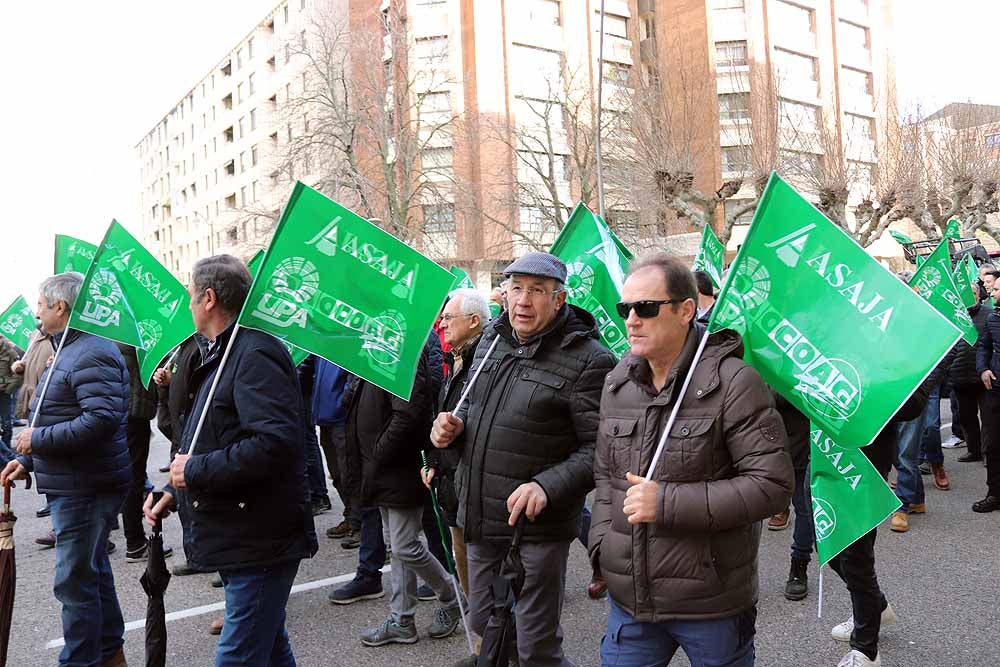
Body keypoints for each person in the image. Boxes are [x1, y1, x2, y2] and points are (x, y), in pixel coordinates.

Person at [588, 254, 793, 667]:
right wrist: (602, 550)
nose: (631, 320)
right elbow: (607, 478)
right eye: (625, 308)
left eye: (646, 308)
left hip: (710, 602)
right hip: (632, 602)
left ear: (686, 311)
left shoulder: (734, 382)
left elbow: (772, 486)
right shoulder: (617, 384)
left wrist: (663, 503)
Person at [432, 251, 616, 667]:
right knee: (486, 623)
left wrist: (546, 486)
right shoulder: (491, 344)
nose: (523, 301)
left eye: (536, 291)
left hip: (536, 529)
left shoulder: (590, 360)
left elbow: (601, 449)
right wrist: (451, 427)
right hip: (481, 516)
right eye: (516, 289)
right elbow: (471, 409)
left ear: (560, 299)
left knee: (536, 648)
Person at [144, 255, 317, 665]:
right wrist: (174, 487)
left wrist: (195, 472)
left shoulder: (254, 353)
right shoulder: (223, 351)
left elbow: (274, 444)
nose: (186, 304)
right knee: (271, 647)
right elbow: (213, 435)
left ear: (208, 298)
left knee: (238, 656)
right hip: (244, 532)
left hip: (260, 536)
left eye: (189, 294)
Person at [1, 272, 132, 667]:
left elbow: (101, 419)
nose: (36, 312)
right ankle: (110, 652)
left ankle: (79, 660)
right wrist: (25, 460)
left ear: (61, 307)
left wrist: (35, 442)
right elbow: (55, 412)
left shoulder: (92, 351)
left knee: (74, 582)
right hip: (73, 481)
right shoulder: (66, 347)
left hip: (87, 486)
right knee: (92, 574)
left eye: (40, 304)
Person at [348, 331, 463, 647]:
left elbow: (409, 413)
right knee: (399, 546)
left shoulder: (400, 354)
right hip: (383, 468)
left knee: (404, 546)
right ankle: (402, 619)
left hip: (397, 467)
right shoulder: (378, 353)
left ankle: (453, 597)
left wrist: (379, 452)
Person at [423, 288, 488, 613]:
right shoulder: (457, 357)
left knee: (485, 576)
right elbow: (444, 415)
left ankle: (495, 648)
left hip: (477, 487)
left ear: (474, 321)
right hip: (451, 482)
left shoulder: (489, 362)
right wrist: (433, 461)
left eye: (448, 318)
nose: (441, 325)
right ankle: (482, 646)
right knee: (462, 563)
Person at [115, 343, 172, 563]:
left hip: (121, 410)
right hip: (133, 411)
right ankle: (135, 543)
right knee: (134, 476)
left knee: (125, 474)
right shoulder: (134, 335)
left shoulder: (111, 330)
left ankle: (125, 539)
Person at [313, 358, 359, 545]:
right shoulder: (324, 340)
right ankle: (350, 516)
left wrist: (345, 400)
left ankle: (359, 523)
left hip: (342, 417)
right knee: (337, 473)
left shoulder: (347, 338)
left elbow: (355, 375)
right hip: (326, 416)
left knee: (350, 473)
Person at [952, 283, 989, 463]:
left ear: (979, 295)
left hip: (984, 376)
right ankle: (973, 451)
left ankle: (989, 454)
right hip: (959, 377)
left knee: (989, 418)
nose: (971, 296)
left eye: (973, 293)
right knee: (966, 417)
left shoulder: (989, 314)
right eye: (966, 293)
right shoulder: (952, 315)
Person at [974, 280, 1000, 512]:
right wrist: (983, 369)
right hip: (995, 391)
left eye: (997, 289)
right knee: (992, 445)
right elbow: (983, 346)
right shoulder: (993, 319)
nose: (992, 292)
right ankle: (994, 494)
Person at [0, 334, 23, 461]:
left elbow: (18, 375)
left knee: (7, 424)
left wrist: (8, 389)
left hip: (4, 393)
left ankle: (7, 450)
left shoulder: (10, 352)